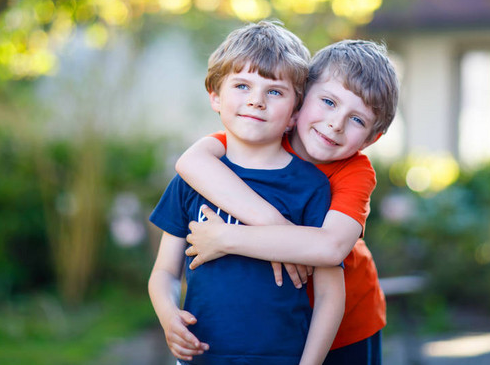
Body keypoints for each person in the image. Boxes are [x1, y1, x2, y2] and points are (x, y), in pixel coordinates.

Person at [175, 39, 399, 365]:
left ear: (371, 139)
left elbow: (331, 248)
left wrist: (226, 238)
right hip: (277, 324)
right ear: (300, 99)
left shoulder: (355, 171)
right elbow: (191, 162)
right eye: (327, 102)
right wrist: (277, 228)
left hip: (347, 323)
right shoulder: (263, 135)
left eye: (357, 120)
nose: (336, 123)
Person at [148, 20, 346, 365]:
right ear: (215, 96)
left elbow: (331, 293)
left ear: (294, 114)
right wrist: (168, 315)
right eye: (242, 85)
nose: (256, 101)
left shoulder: (310, 187)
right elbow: (165, 271)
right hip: (204, 357)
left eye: (274, 91)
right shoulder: (192, 181)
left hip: (283, 357)